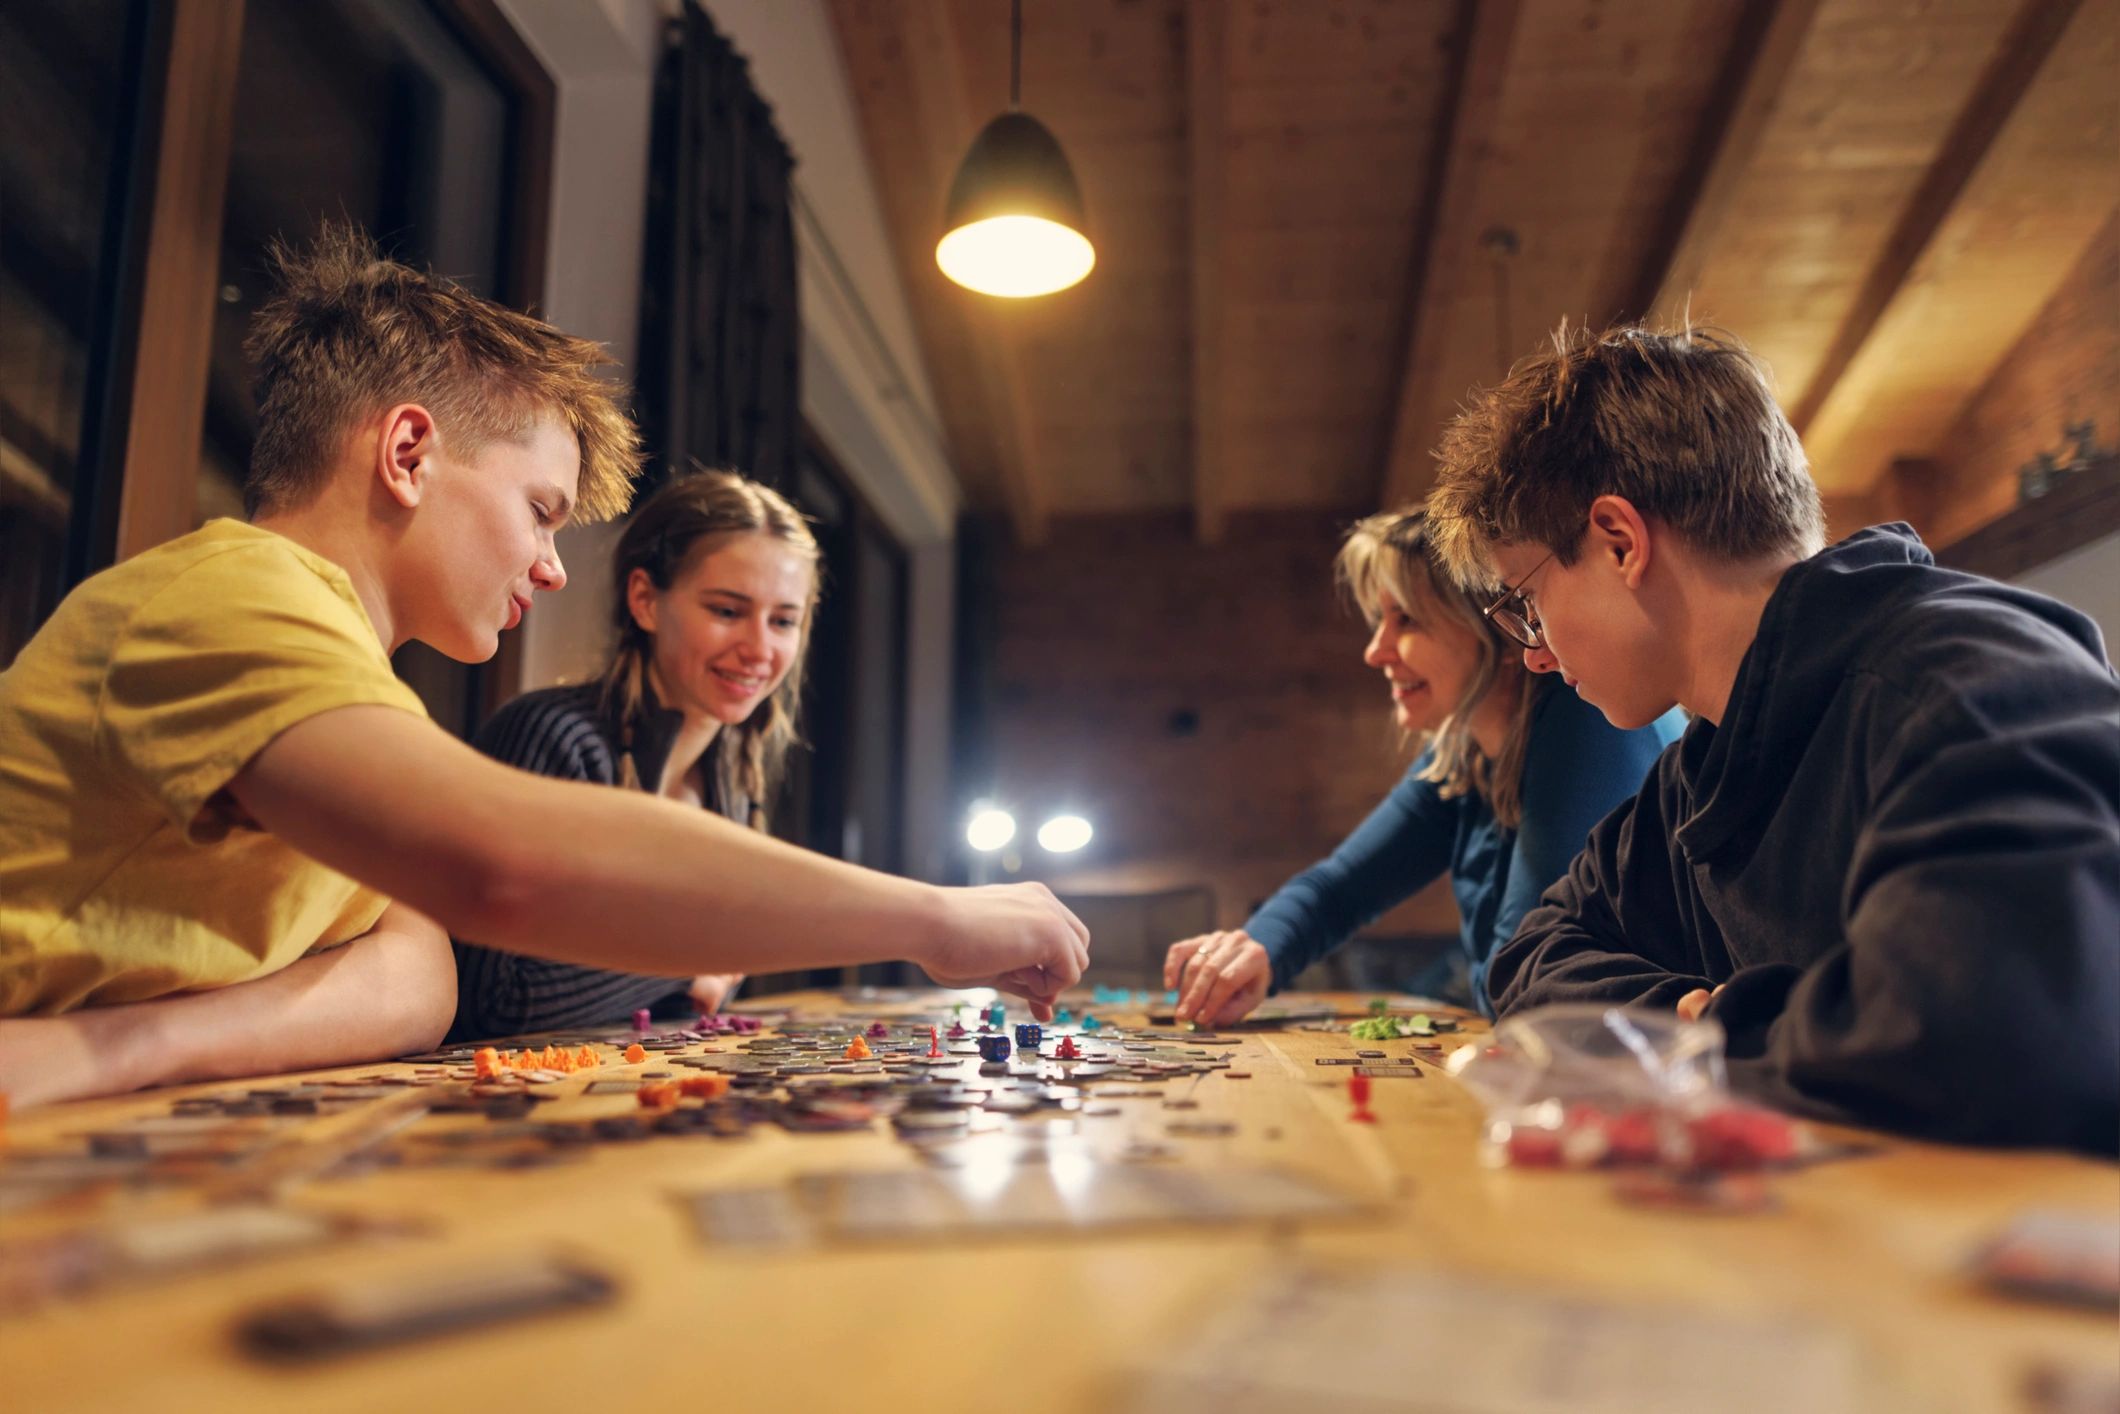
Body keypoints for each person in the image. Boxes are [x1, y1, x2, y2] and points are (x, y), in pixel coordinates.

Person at [0, 226, 1086, 1108]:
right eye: (541, 512)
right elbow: (500, 870)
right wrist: (935, 917)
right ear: (409, 454)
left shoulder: (354, 677)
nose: (554, 567)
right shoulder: (233, 593)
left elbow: (415, 978)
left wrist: (115, 1048)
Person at [1425, 321, 2119, 1153]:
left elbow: (1973, 1044)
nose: (1533, 652)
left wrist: (1710, 1023)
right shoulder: (1701, 766)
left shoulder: (1967, 680)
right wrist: (1687, 1017)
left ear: (1620, 541)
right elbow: (1532, 962)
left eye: (1527, 601)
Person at [1164, 510, 1682, 1026]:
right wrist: (1254, 949)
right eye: (1379, 622)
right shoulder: (1463, 753)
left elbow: (1521, 977)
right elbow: (1340, 891)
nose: (1375, 652)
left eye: (1406, 620)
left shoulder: (1586, 722)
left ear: (1495, 630)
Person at [449, 468, 815, 1040]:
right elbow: (485, 998)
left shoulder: (733, 776)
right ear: (645, 600)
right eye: (726, 611)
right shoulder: (551, 736)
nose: (759, 649)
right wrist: (684, 954)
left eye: (784, 621)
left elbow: (707, 982)